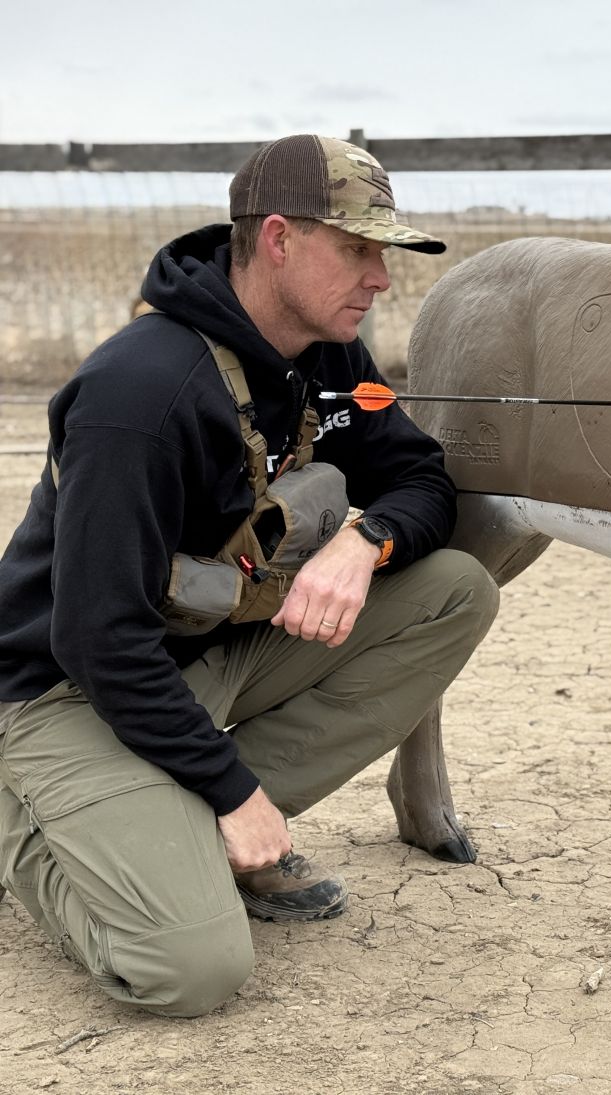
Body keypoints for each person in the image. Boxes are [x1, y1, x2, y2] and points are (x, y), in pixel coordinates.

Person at [0, 135, 496, 1017]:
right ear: (278, 239)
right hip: (64, 691)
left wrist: (365, 540)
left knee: (453, 589)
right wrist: (230, 793)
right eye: (357, 248)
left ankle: (175, 824)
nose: (380, 277)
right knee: (190, 970)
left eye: (384, 251)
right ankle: (33, 822)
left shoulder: (326, 353)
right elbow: (96, 638)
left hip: (205, 659)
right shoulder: (140, 395)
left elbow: (422, 479)